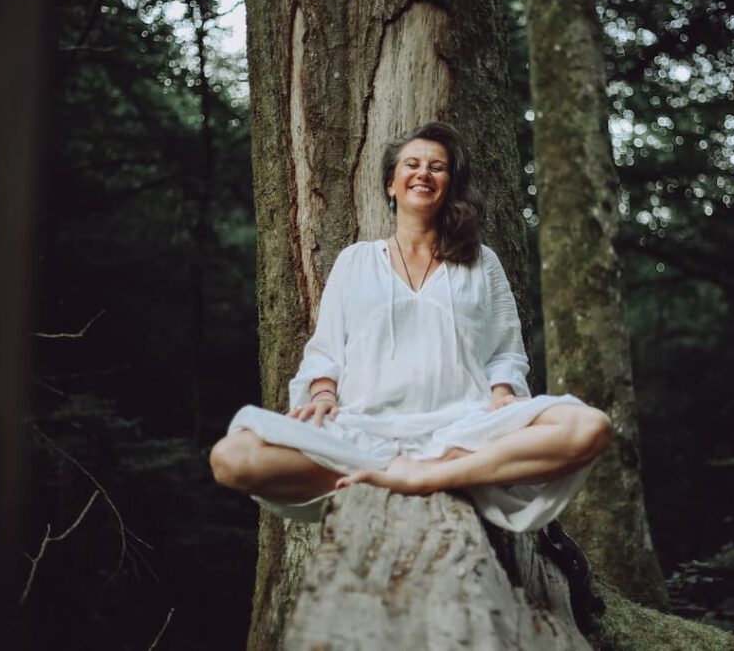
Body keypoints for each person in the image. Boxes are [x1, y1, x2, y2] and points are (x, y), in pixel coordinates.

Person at [209, 121, 611, 532]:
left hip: (463, 429)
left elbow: (505, 351)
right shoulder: (356, 260)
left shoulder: (481, 262)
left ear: (449, 185)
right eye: (412, 164)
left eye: (438, 167)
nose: (424, 173)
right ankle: (382, 471)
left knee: (588, 427)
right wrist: (324, 392)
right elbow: (326, 349)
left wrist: (504, 392)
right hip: (362, 429)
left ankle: (431, 475)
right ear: (391, 184)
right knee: (233, 458)